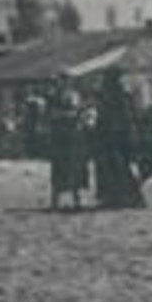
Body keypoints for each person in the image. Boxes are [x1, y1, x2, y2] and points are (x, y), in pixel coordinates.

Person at [91, 69, 145, 210]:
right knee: (121, 167)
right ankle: (124, 198)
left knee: (117, 167)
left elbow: (109, 116)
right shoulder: (124, 94)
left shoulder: (113, 96)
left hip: (115, 136)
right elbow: (133, 115)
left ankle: (124, 198)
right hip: (123, 135)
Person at [46, 77, 89, 211]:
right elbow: (49, 115)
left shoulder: (74, 96)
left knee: (74, 168)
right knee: (58, 169)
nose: (61, 83)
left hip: (73, 137)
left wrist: (76, 117)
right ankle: (55, 202)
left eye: (64, 80)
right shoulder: (52, 96)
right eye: (59, 81)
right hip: (59, 137)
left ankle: (77, 201)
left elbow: (80, 113)